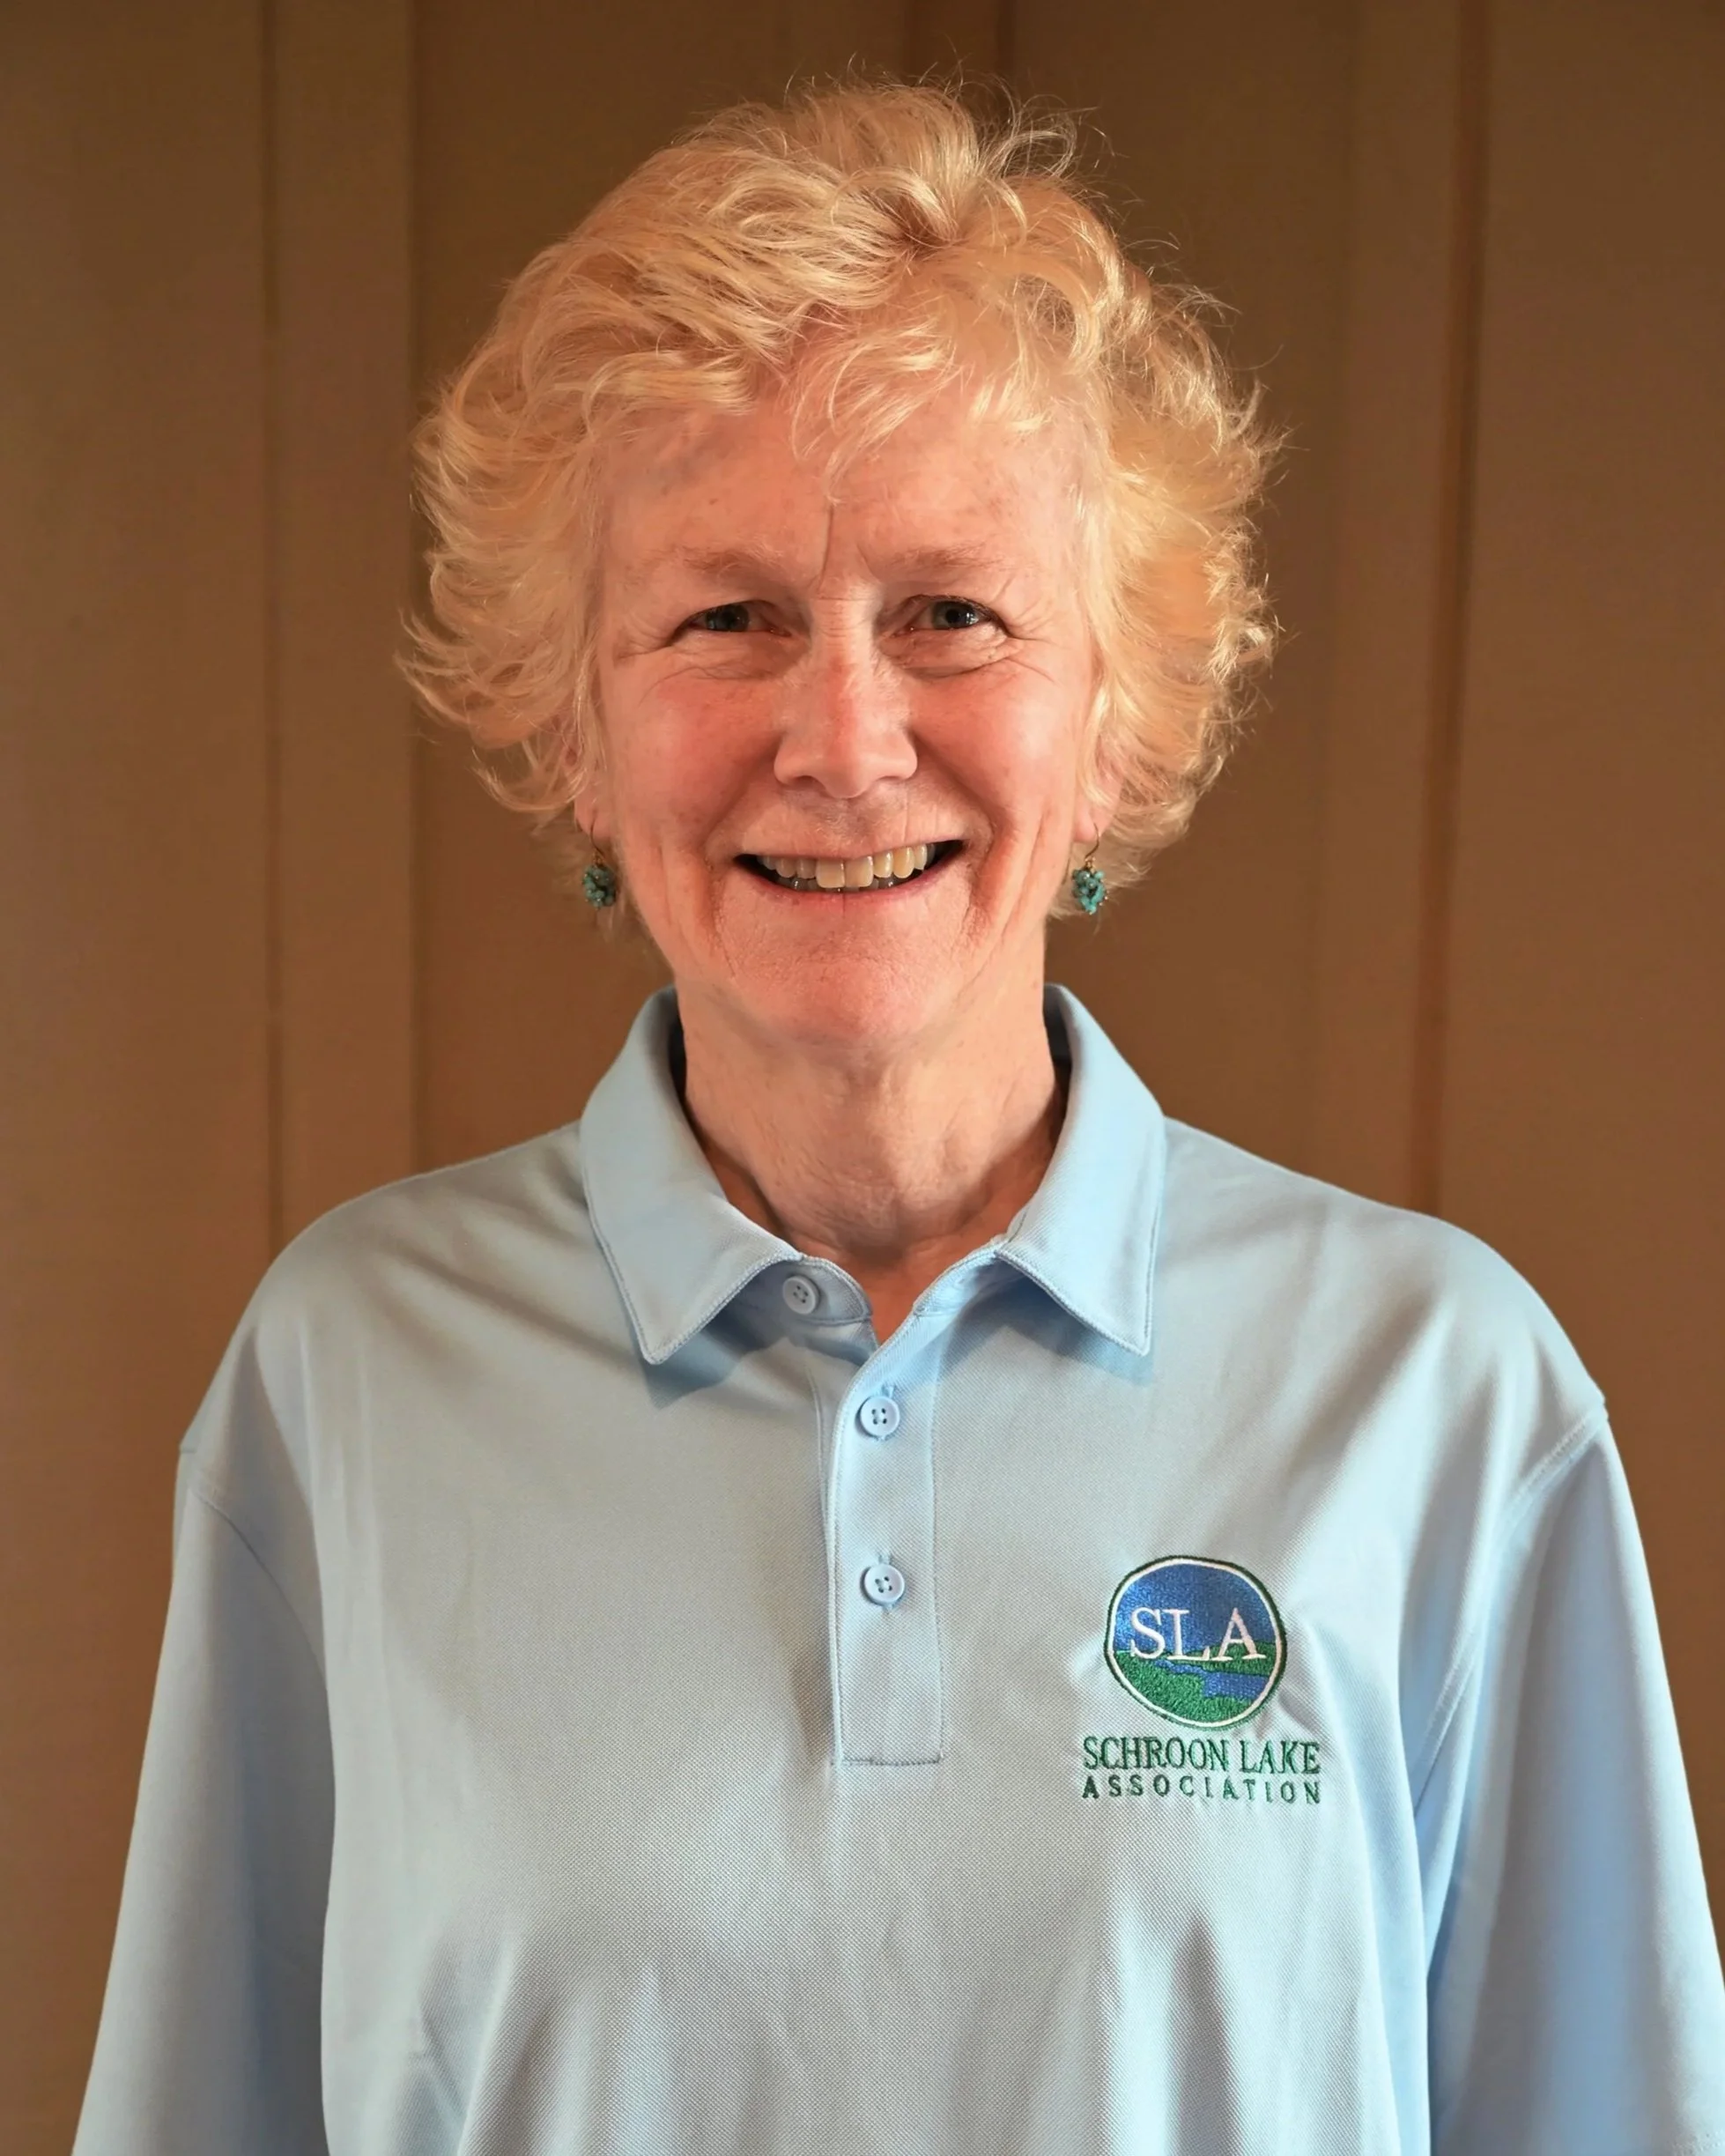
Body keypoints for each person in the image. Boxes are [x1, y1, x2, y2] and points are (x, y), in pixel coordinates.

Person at [74, 79, 1724, 2156]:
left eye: (951, 611)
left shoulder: (1443, 1393)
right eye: (724, 616)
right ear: (572, 727)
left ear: (1116, 722)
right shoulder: (344, 1376)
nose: (845, 742)